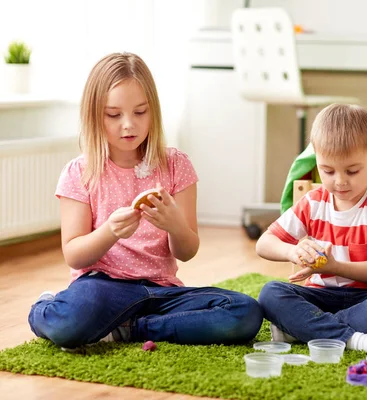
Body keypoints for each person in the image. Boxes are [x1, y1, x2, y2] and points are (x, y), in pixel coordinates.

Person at [28, 52, 263, 349]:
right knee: (69, 323)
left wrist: (175, 225)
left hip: (161, 292)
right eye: (114, 115)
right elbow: (74, 255)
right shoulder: (80, 172)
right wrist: (110, 231)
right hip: (103, 287)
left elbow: (187, 251)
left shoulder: (177, 165)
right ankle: (45, 308)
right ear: (94, 115)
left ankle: (132, 328)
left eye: (140, 112)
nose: (129, 125)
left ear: (154, 111)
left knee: (244, 312)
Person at [256, 104, 367, 353]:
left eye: (352, 171)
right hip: (322, 297)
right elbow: (264, 244)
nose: (339, 181)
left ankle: (302, 329)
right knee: (271, 293)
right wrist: (292, 252)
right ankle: (355, 340)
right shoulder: (314, 201)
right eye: (327, 171)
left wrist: (335, 267)